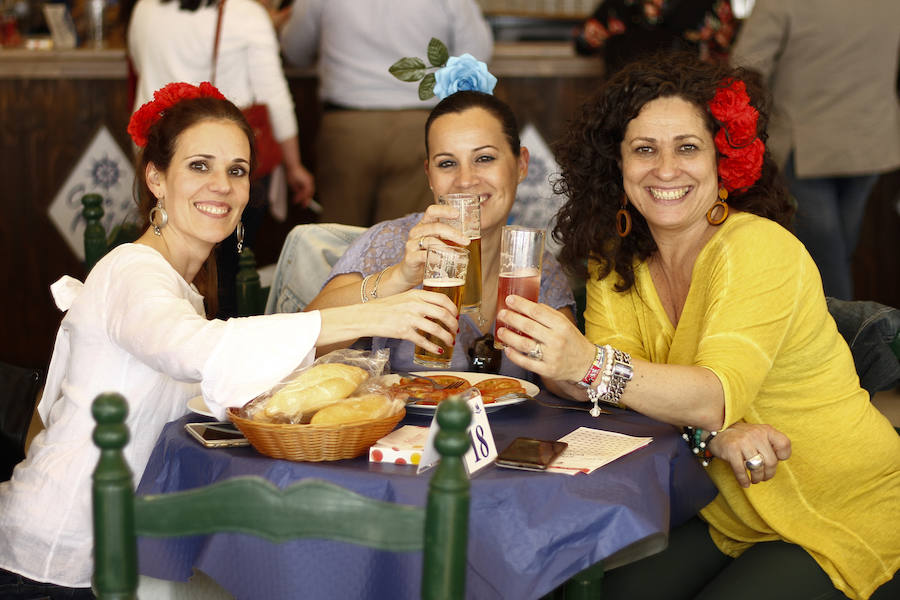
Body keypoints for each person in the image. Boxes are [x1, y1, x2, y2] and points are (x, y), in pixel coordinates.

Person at [0, 83, 461, 597]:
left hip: (126, 549)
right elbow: (195, 350)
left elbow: (255, 372)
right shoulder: (132, 271)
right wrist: (376, 314)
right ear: (156, 178)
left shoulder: (183, 288)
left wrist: (395, 279)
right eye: (200, 166)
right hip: (53, 562)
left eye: (236, 170)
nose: (221, 185)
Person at [495, 53, 900, 599]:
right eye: (644, 150)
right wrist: (713, 433)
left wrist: (586, 363)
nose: (665, 170)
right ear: (616, 165)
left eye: (687, 147)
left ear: (722, 161)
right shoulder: (618, 260)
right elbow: (625, 394)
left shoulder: (757, 248)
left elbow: (708, 394)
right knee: (593, 590)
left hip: (844, 506)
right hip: (726, 504)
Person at [305, 90, 576, 381]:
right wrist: (398, 278)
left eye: (484, 158)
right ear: (429, 176)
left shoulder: (535, 268)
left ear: (521, 165)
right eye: (447, 163)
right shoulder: (392, 242)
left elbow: (566, 381)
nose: (466, 180)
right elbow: (301, 344)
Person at [127, 0, 316, 317]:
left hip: (163, 158)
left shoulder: (144, 8)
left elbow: (139, 65)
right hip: (228, 153)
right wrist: (294, 165)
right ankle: (221, 326)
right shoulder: (246, 14)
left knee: (181, 256)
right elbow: (275, 96)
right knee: (227, 270)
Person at [730, 0, 900, 300]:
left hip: (807, 142)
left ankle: (841, 337)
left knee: (825, 256)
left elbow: (744, 68)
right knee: (839, 248)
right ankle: (844, 331)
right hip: (871, 138)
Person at [279, 0, 493, 227]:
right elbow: (477, 55)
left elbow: (295, 50)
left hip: (348, 128)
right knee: (406, 238)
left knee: (339, 242)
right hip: (419, 129)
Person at [573, 0, 737, 76]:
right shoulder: (620, 5)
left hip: (688, 97)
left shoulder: (708, 4)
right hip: (625, 100)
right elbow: (582, 44)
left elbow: (728, 46)